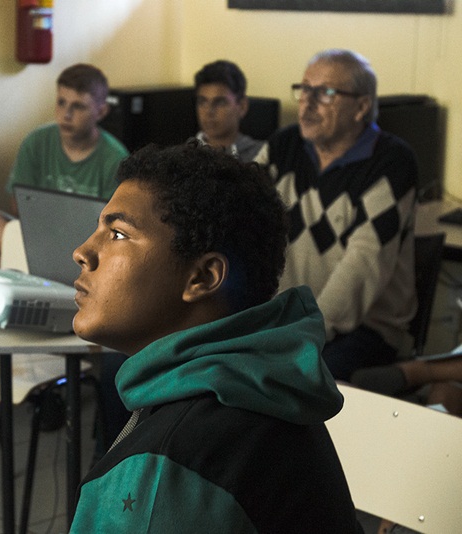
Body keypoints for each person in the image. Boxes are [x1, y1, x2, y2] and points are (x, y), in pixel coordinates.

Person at [69, 143, 360, 533]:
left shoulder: (172, 469)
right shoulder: (256, 384)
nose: (82, 252)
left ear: (202, 277)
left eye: (118, 234)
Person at [256, 49, 418, 382]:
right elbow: (236, 212)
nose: (307, 103)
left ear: (361, 107)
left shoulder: (391, 163)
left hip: (363, 330)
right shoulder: (282, 146)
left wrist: (299, 335)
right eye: (304, 90)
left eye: (325, 93)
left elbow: (361, 268)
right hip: (284, 323)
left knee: (289, 385)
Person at [0, 63, 128, 267]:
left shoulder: (115, 157)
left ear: (101, 111)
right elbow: (18, 205)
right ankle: (44, 264)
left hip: (84, 243)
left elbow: (112, 226)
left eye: (78, 106)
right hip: (39, 236)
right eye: (61, 103)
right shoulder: (36, 142)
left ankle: (32, 263)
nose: (66, 114)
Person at [187, 59, 262, 162]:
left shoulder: (263, 155)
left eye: (220, 102)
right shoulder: (183, 155)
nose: (209, 111)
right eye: (202, 102)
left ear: (242, 106)